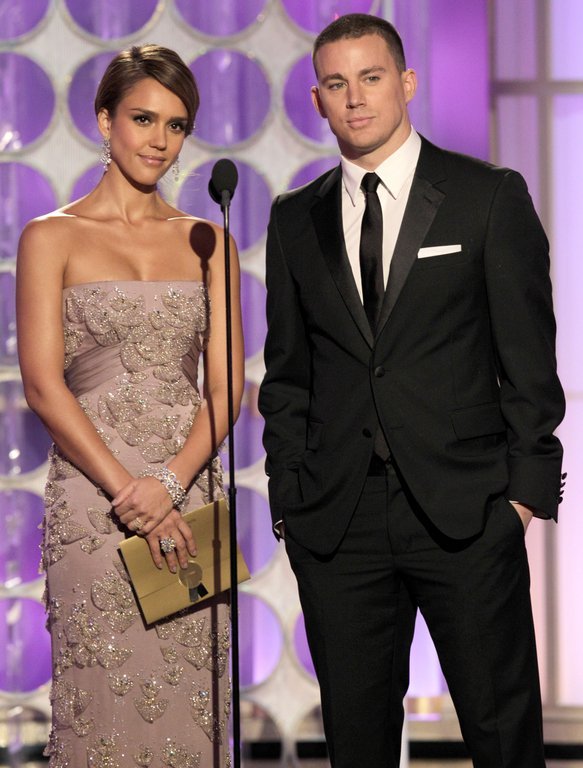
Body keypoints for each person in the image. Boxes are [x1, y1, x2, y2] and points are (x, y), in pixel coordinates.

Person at [259, 13, 565, 768]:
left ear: (406, 83)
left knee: (502, 734)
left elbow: (529, 362)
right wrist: (290, 498)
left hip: (468, 510)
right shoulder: (294, 219)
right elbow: (288, 374)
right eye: (336, 83)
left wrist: (522, 499)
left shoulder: (485, 196)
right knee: (357, 744)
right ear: (316, 99)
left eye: (370, 78)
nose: (354, 98)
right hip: (337, 520)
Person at [17, 44, 244, 767]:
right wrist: (132, 494)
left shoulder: (210, 242)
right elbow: (43, 386)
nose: (159, 141)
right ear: (103, 120)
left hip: (189, 499)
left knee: (192, 708)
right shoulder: (51, 237)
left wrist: (170, 484)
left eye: (176, 126)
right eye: (143, 119)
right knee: (102, 711)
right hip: (94, 504)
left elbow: (226, 390)